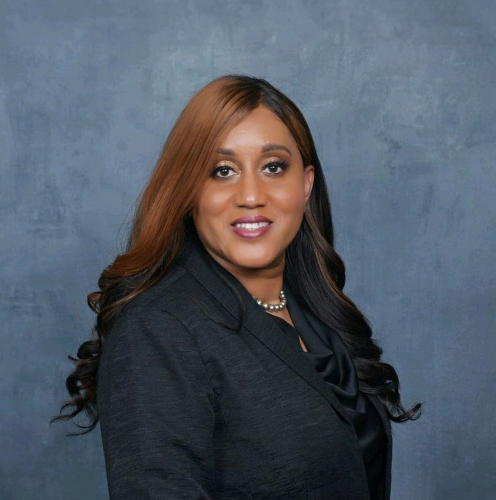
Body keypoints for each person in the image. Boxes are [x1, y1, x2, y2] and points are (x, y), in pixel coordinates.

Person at [54, 74, 421, 500]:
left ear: (305, 184)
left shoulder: (316, 313)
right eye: (222, 171)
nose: (250, 195)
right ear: (188, 191)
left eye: (273, 167)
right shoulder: (157, 329)